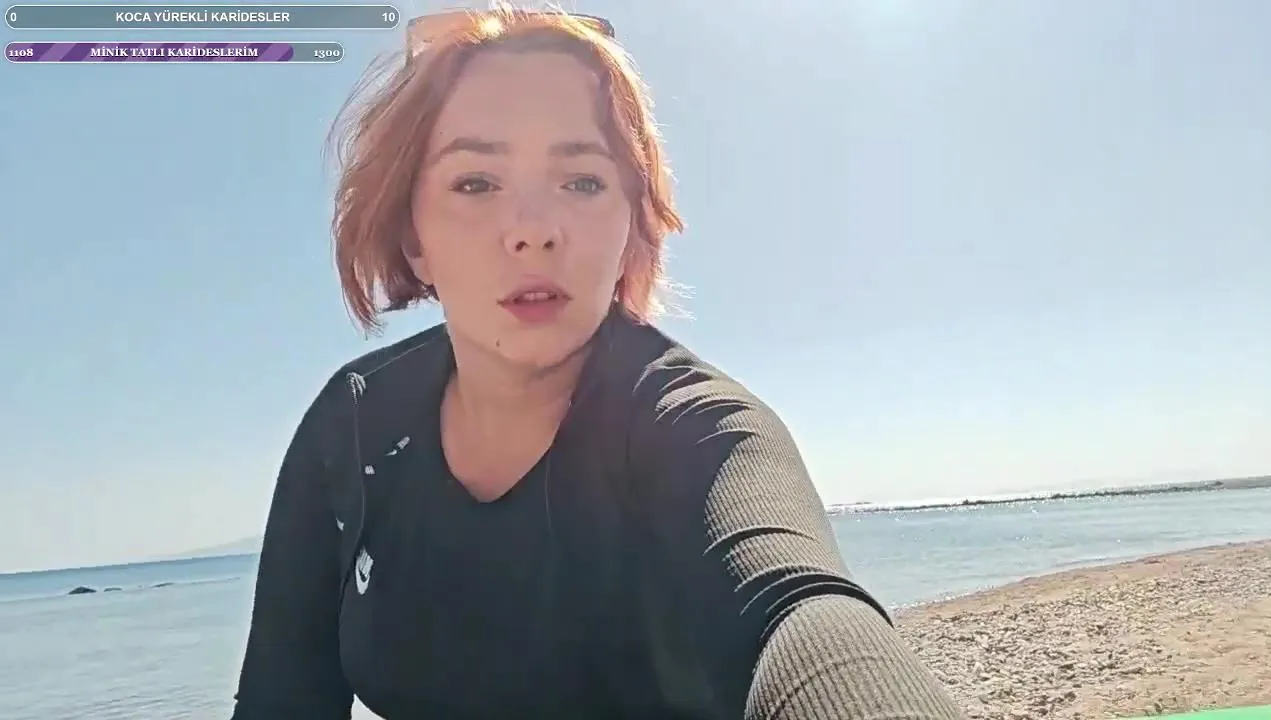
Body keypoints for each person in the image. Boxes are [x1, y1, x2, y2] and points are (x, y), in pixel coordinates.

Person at [230, 7, 964, 720]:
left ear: (631, 221)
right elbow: (281, 697)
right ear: (413, 237)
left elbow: (802, 611)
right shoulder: (356, 421)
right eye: (475, 183)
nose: (534, 231)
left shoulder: (698, 431)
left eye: (582, 181)